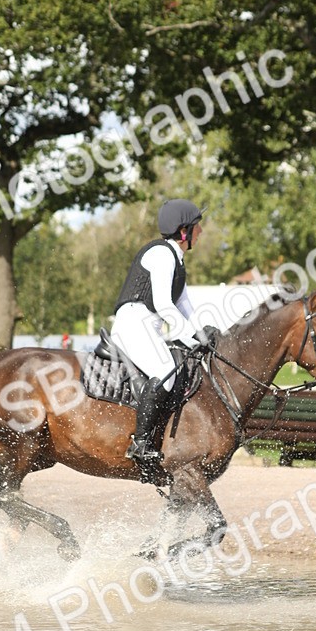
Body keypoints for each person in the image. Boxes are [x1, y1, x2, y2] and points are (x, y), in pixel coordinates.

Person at [112, 198, 213, 480]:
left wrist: (205, 332)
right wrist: (193, 337)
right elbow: (164, 305)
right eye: (197, 226)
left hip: (147, 324)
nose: (201, 231)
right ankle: (141, 443)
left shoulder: (177, 261)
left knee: (176, 368)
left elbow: (185, 307)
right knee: (165, 373)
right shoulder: (161, 255)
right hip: (133, 321)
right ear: (184, 231)